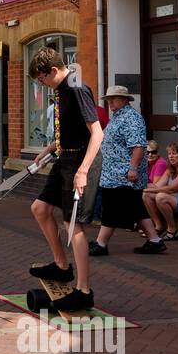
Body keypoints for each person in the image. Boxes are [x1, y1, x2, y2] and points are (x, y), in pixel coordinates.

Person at [27, 48, 103, 313]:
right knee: (40, 208)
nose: (41, 83)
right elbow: (70, 130)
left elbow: (97, 133)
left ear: (54, 71)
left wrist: (83, 171)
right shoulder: (61, 89)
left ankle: (83, 291)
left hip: (81, 163)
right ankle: (61, 266)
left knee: (74, 225)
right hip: (64, 158)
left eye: (42, 78)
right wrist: (50, 147)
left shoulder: (77, 89)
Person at [90, 85, 164, 257]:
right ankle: (155, 240)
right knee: (135, 207)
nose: (110, 103)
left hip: (123, 175)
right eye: (108, 100)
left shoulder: (131, 118)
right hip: (114, 173)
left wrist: (133, 168)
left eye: (113, 99)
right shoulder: (118, 116)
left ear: (124, 100)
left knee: (111, 207)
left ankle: (101, 243)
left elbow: (138, 146)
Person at [142, 143, 178, 240]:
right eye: (169, 154)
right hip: (172, 199)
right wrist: (143, 187)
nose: (170, 156)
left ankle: (172, 229)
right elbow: (157, 186)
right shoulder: (170, 170)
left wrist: (148, 189)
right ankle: (158, 226)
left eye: (174, 153)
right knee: (147, 195)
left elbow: (172, 189)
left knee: (161, 196)